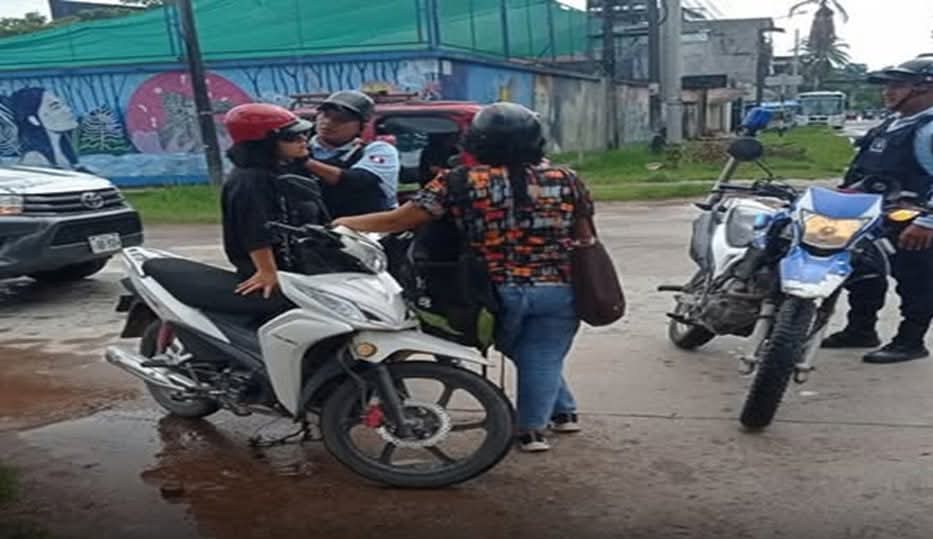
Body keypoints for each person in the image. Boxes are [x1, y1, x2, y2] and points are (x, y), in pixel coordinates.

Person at [333, 102, 592, 453]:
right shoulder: (568, 180)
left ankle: (533, 429)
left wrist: (343, 223)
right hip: (559, 288)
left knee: (529, 352)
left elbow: (399, 220)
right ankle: (558, 416)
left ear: (476, 141)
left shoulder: (458, 181)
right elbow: (585, 235)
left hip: (491, 291)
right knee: (540, 353)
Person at [821, 55, 933, 363]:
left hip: (912, 219)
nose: (889, 92)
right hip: (873, 214)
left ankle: (910, 341)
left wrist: (927, 222)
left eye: (898, 86)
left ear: (926, 88)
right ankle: (861, 329)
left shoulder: (928, 128)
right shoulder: (895, 123)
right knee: (863, 270)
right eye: (889, 86)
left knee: (916, 280)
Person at [220, 102, 326, 299]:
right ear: (264, 143)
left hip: (299, 272)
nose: (303, 140)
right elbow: (255, 229)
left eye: (303, 134)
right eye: (291, 137)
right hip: (274, 277)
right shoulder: (249, 180)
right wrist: (267, 272)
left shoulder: (280, 170)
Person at [295, 90, 400, 218]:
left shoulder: (378, 150)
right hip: (308, 231)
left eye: (341, 119)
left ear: (362, 126)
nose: (328, 122)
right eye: (325, 115)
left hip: (364, 232)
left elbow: (356, 181)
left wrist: (304, 161)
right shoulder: (297, 148)